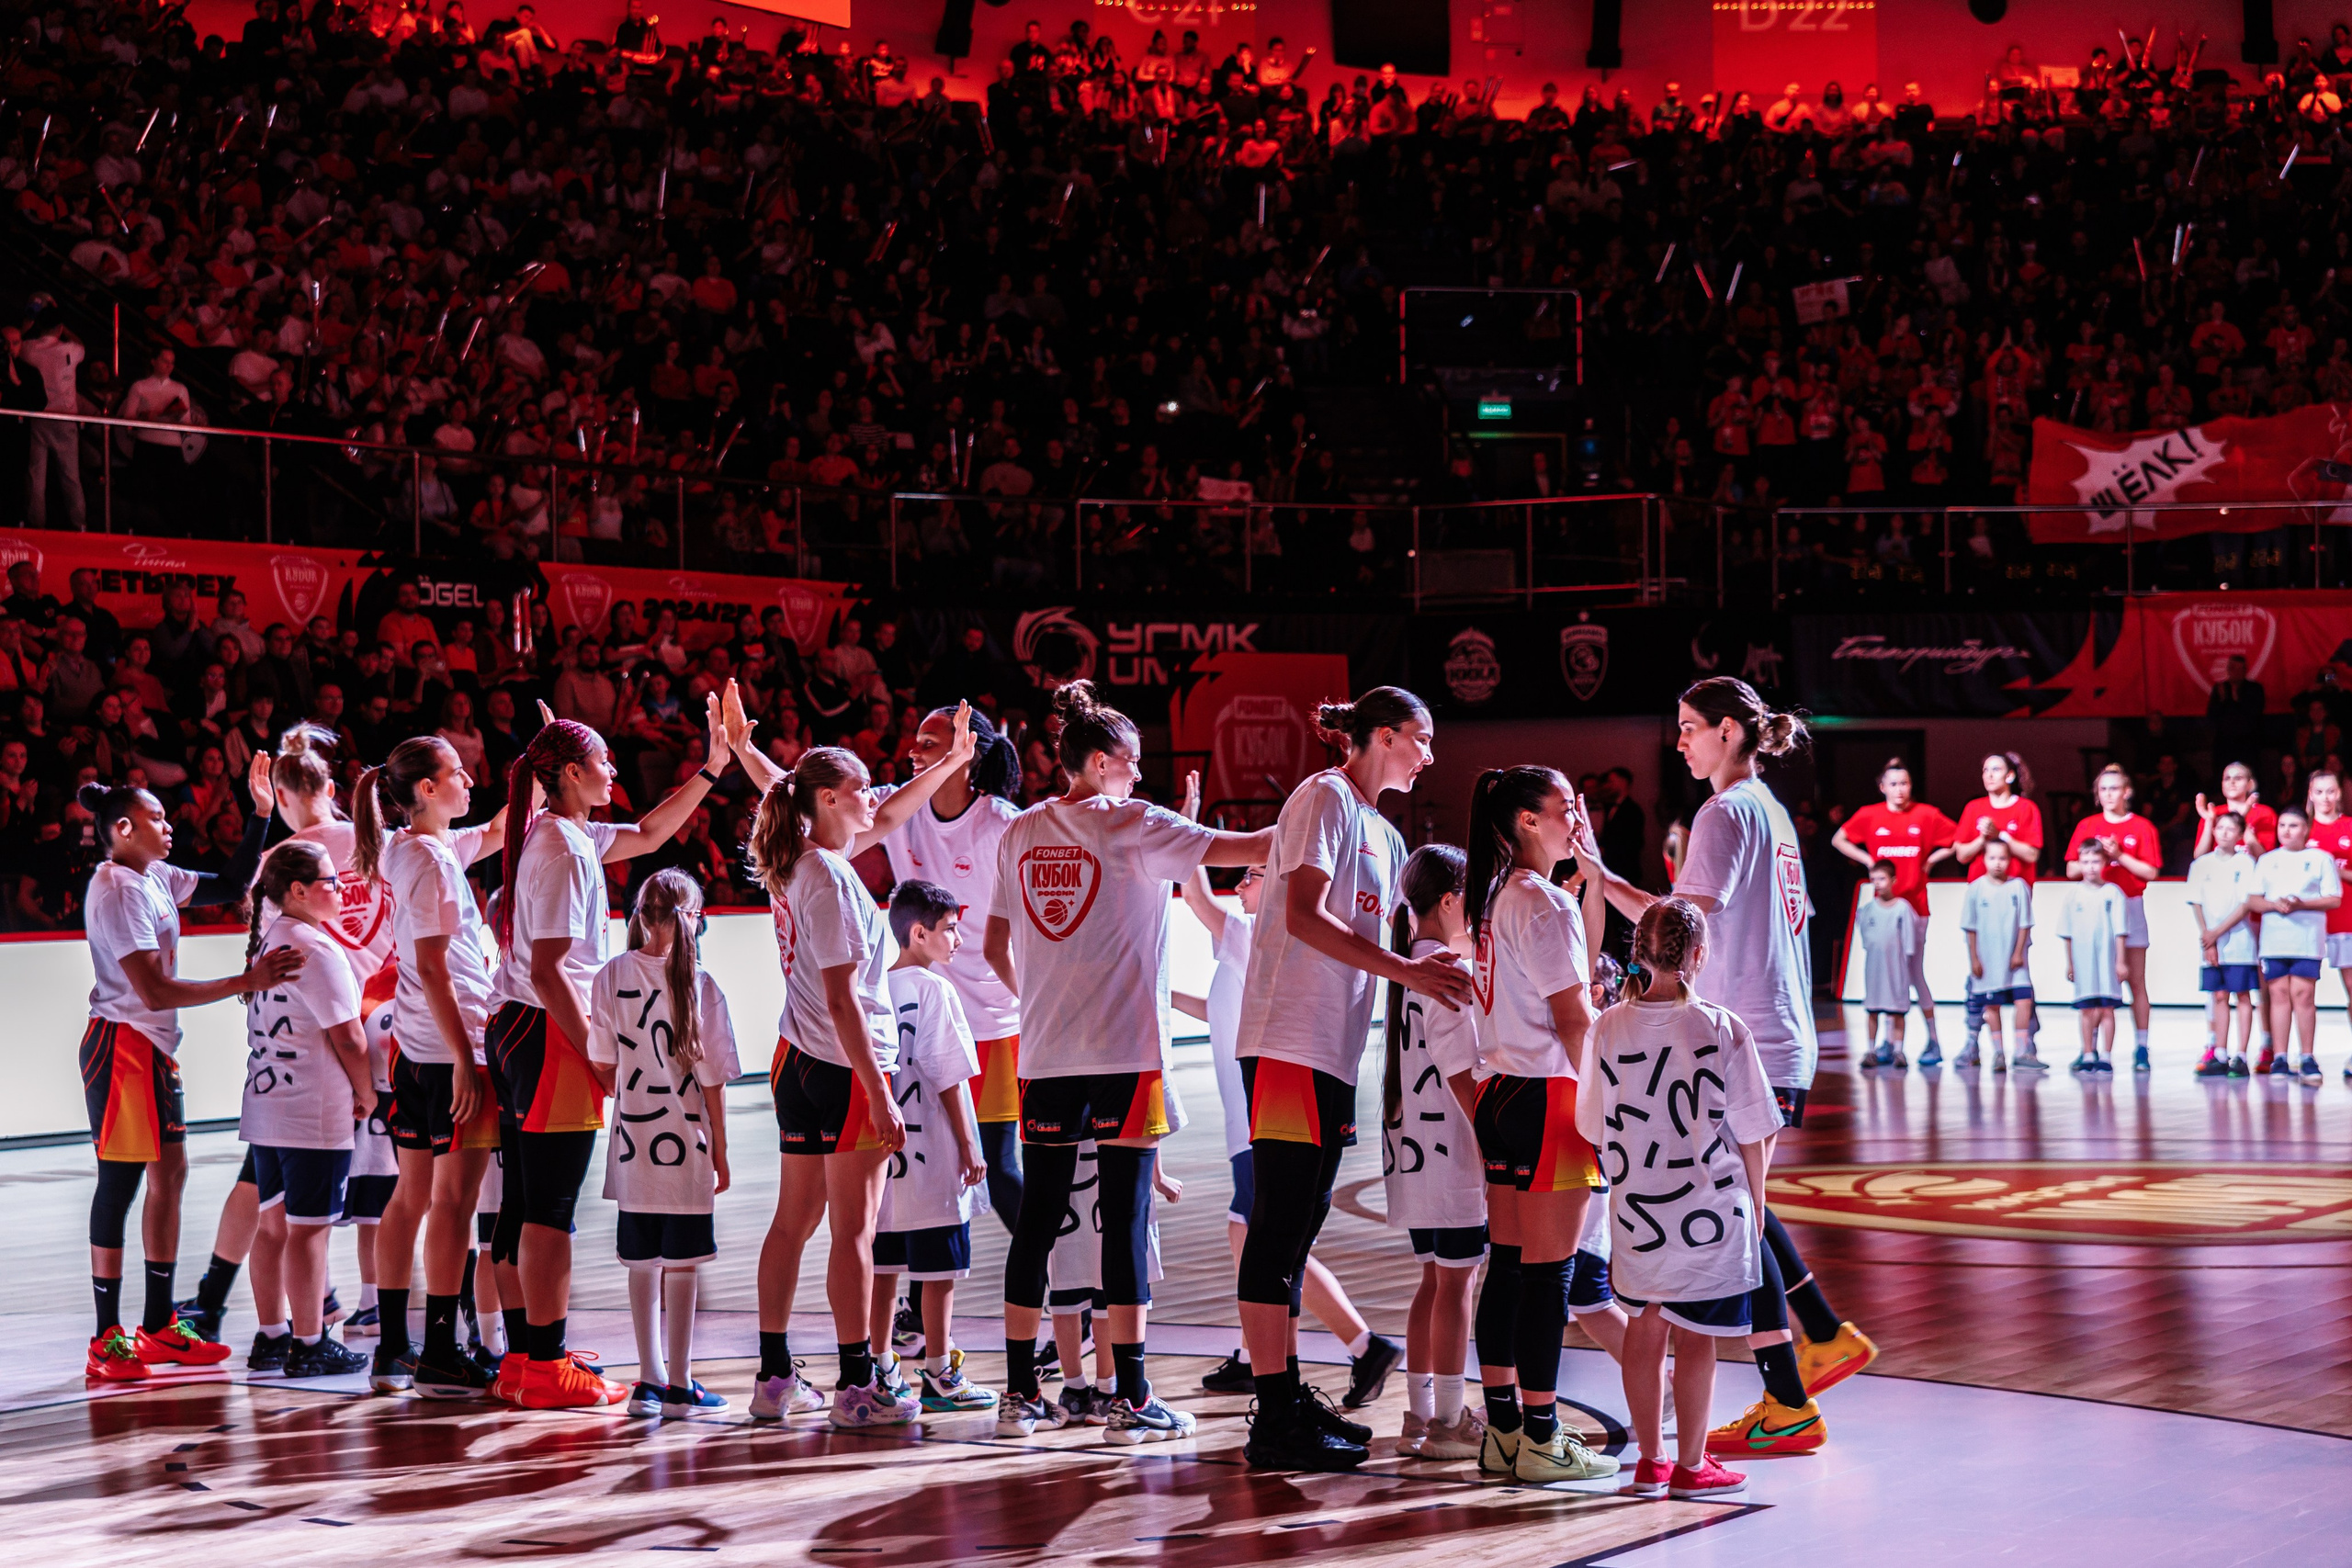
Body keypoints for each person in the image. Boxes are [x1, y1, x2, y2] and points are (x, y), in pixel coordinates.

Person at [1579, 677, 1866, 1457]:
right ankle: (1818, 1339)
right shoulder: (1765, 808)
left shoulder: (1724, 809)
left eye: (1689, 727)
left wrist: (1597, 878)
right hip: (1775, 1033)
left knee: (1743, 1212)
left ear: (1730, 731)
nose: (1680, 741)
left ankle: (1791, 1397)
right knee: (1747, 1205)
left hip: (1750, 1039)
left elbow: (1678, 925)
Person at [982, 681, 1272, 1443]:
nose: (1139, 776)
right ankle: (1131, 1397)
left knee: (1037, 1224)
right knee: (1125, 1219)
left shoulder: (1019, 833)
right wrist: (1316, 816)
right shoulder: (1135, 823)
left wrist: (1047, 997)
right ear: (1105, 760)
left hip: (1043, 1055)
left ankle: (1018, 1396)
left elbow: (991, 945)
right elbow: (1240, 851)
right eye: (1133, 761)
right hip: (1126, 1056)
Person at [1231, 686, 1468, 1471]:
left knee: (1299, 1230)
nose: (1429, 754)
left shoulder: (1383, 831)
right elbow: (1301, 913)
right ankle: (1273, 1412)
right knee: (1277, 1227)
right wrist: (1403, 967)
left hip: (1333, 1048)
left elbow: (1419, 935)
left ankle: (1288, 1392)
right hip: (1289, 1041)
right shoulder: (1323, 798)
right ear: (1382, 735)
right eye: (1421, 737)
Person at [485, 700, 737, 1408]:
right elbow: (547, 970)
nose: (615, 768)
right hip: (542, 1032)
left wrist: (713, 767)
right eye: (603, 760)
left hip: (513, 1030)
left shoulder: (559, 833)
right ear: (570, 772)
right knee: (549, 1211)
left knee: (521, 1206)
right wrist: (595, 1057)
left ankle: (524, 1357)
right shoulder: (564, 850)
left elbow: (655, 829)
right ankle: (544, 1363)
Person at [736, 702, 978, 1427]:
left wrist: (950, 762)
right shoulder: (833, 880)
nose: (875, 796)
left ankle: (774, 1376)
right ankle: (856, 1385)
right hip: (844, 1069)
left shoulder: (797, 859)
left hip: (794, 1059)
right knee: (855, 1232)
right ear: (831, 799)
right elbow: (844, 998)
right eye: (864, 786)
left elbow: (881, 815)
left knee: (792, 1222)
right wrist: (878, 1092)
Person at [1172, 797, 1394, 1424]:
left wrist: (1189, 829)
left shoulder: (1246, 931)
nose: (1242, 882)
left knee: (1263, 1238)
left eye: (1252, 872)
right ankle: (1264, 1352)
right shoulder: (1241, 949)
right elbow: (1213, 1009)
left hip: (1262, 1114)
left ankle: (1360, 1343)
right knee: (1256, 1235)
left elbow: (1195, 896)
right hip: (1254, 1114)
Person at [79, 778, 290, 1382]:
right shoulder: (117, 889)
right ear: (124, 828)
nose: (169, 826)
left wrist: (259, 814)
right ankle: (104, 1335)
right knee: (118, 1185)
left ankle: (159, 1323)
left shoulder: (156, 875)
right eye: (156, 816)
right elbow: (153, 989)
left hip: (150, 1047)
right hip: (121, 1044)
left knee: (170, 1175)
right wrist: (242, 982)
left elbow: (229, 884)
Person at [1575, 897, 1776, 1502]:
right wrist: (1758, 1202)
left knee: (1645, 1319)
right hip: (1708, 1208)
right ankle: (1692, 1463)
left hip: (1637, 1204)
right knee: (1697, 1333)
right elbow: (1754, 1127)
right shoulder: (1719, 1025)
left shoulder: (1607, 1025)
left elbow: (1589, 1121)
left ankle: (1651, 1460)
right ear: (1697, 954)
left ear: (1639, 952)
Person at [1452, 764, 1617, 1487]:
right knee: (1551, 1274)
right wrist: (1607, 1111)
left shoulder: (1497, 898)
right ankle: (1545, 1436)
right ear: (1526, 820)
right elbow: (1574, 1014)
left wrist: (1592, 879)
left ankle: (1506, 1431)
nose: (1575, 817)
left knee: (1511, 1267)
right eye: (1564, 806)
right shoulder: (1541, 901)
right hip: (1550, 1097)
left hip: (1499, 1094)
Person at [359, 734, 508, 1396]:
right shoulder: (432, 860)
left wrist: (529, 766)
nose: (470, 781)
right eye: (457, 773)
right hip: (448, 1050)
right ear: (425, 788)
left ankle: (394, 1347)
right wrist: (463, 1059)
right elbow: (434, 968)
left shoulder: (406, 846)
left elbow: (503, 827)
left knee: (412, 1194)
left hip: (412, 1050)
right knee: (452, 1201)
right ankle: (443, 1351)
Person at [867, 705, 1025, 1241]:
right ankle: (916, 1306)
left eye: (930, 743)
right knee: (919, 1161)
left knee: (999, 1167)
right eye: (915, 739)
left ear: (967, 754)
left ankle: (1061, 1286)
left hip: (994, 1023)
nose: (914, 750)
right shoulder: (896, 809)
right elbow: (812, 800)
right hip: (918, 1022)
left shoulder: (1003, 824)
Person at [587, 868, 738, 1419]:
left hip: (635, 1144)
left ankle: (649, 1382)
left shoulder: (610, 975)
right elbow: (716, 1080)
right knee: (683, 1264)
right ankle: (681, 1383)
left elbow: (602, 1063)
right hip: (687, 1145)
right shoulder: (703, 985)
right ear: (691, 919)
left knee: (642, 1262)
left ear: (640, 916)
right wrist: (720, 1151)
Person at [241, 840, 375, 1381]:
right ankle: (309, 1342)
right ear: (297, 891)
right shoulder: (315, 950)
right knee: (308, 1230)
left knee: (272, 1228)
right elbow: (349, 1037)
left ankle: (272, 1336)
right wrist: (366, 1094)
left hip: (266, 1105)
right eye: (330, 881)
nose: (340, 889)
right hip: (310, 1111)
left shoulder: (271, 938)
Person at [1377, 843, 1487, 1461]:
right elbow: (1460, 1071)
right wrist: (1496, 1142)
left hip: (1414, 1149)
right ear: (1449, 901)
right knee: (1456, 1284)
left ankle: (1419, 1415)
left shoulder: (1407, 964)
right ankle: (1448, 1418)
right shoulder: (1445, 967)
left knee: (1433, 1280)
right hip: (1450, 1152)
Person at [868, 880, 995, 1415]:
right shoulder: (935, 990)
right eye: (949, 929)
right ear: (919, 933)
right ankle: (940, 1372)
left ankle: (877, 1365)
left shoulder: (871, 986)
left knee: (882, 1266)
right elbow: (950, 1077)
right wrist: (970, 1145)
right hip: (933, 1151)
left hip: (882, 1151)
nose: (958, 938)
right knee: (939, 1268)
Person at [1830, 760, 1954, 1064]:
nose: (1900, 789)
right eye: (1894, 784)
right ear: (1883, 787)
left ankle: (1933, 1041)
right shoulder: (1870, 815)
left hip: (1915, 908)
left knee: (1912, 974)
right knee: (1886, 974)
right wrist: (1867, 859)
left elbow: (1957, 839)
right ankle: (1886, 1044)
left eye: (1905, 783)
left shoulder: (1926, 814)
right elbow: (1838, 839)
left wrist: (1931, 860)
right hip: (1882, 910)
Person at [2064, 767, 2164, 1070]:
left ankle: (2142, 1047)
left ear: (2127, 792)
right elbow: (2070, 870)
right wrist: (2096, 863)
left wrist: (2119, 855)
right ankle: (2091, 1050)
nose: (2108, 795)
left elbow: (2151, 872)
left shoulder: (2142, 827)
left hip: (2130, 906)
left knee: (2135, 980)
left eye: (2114, 788)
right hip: (2094, 908)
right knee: (2095, 983)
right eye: (2103, 789)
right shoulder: (2087, 825)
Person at [2252, 807, 2342, 1081]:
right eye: (2282, 825)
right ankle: (2280, 1057)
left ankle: (2307, 1056)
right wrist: (2274, 904)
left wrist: (2301, 903)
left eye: (2293, 826)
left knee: (2303, 997)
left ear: (2305, 829)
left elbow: (2333, 898)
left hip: (2306, 940)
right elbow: (2254, 900)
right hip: (2274, 941)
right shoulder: (2267, 860)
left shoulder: (2320, 859)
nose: (2286, 831)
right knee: (2278, 997)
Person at [2188, 811, 2262, 1079]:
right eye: (2220, 828)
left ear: (2240, 834)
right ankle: (2219, 1052)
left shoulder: (2246, 862)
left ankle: (2241, 1055)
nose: (2225, 833)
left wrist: (2218, 931)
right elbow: (2195, 901)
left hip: (2239, 938)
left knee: (2242, 994)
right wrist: (2207, 936)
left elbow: (2246, 904)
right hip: (2210, 941)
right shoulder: (2201, 864)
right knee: (2218, 995)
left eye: (2231, 829)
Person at [1958, 840, 2037, 1072]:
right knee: (1992, 1006)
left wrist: (2017, 952)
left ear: (2010, 860)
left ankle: (2022, 1051)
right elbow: (1969, 928)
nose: (1997, 863)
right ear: (1984, 860)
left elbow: (2025, 924)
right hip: (1987, 959)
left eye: (2002, 858)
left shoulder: (2019, 887)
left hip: (2014, 959)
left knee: (2024, 1000)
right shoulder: (1976, 889)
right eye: (1992, 858)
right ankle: (1998, 1052)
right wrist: (1974, 958)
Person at [2061, 840, 2129, 1073]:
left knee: (2108, 1008)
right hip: (2083, 961)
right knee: (2086, 1009)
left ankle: (2107, 1056)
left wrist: (2120, 961)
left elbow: (2120, 931)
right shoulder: (2073, 895)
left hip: (2107, 961)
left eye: (2095, 862)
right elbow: (2067, 933)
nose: (2090, 867)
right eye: (2086, 862)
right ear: (2079, 863)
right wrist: (2070, 962)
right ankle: (2088, 1052)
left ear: (2105, 863)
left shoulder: (2113, 893)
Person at [2305, 773, 2352, 1079]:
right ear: (2310, 793)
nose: (2325, 797)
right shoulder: (2299, 829)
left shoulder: (2349, 826)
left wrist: (2338, 869)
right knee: (2302, 994)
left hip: (2346, 920)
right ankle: (2302, 1056)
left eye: (2330, 791)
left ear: (2339, 793)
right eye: (2319, 791)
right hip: (2307, 924)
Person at [1854, 860, 1920, 1068]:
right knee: (1872, 1010)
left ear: (1893, 881)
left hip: (1896, 968)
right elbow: (1866, 937)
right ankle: (1871, 1049)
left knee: (1897, 1010)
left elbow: (1909, 940)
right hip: (1875, 969)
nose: (1878, 884)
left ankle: (1898, 1050)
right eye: (1873, 879)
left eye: (1882, 879)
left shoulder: (1902, 908)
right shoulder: (1867, 909)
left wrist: (1907, 963)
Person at [2194, 761, 2278, 855]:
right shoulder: (2213, 813)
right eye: (2227, 778)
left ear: (2250, 784)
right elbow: (2199, 857)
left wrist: (2241, 821)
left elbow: (2264, 857)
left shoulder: (2264, 813)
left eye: (2238, 778)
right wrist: (2209, 821)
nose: (2232, 782)